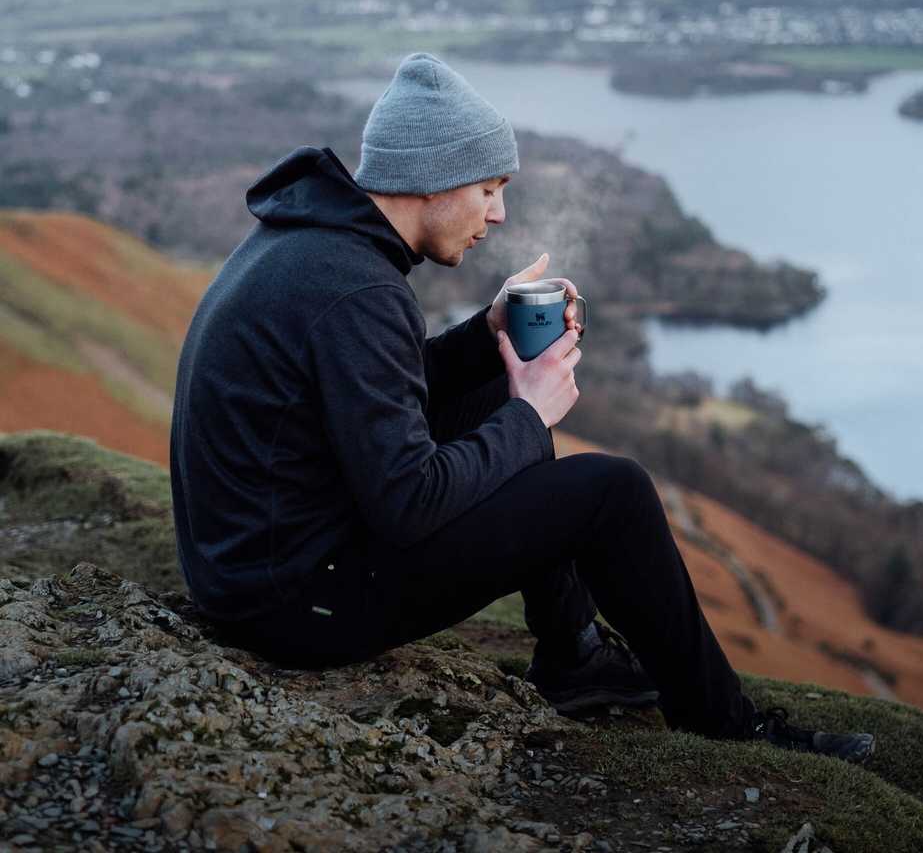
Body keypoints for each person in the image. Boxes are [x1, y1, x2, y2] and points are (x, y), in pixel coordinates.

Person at [169, 52, 875, 763]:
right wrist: (530, 414)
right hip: (295, 606)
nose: (499, 213)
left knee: (484, 388)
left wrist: (488, 335)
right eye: (489, 187)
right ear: (433, 179)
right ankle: (729, 727)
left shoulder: (310, 245)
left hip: (254, 569)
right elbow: (408, 501)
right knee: (614, 492)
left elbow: (373, 391)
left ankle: (573, 655)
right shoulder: (357, 289)